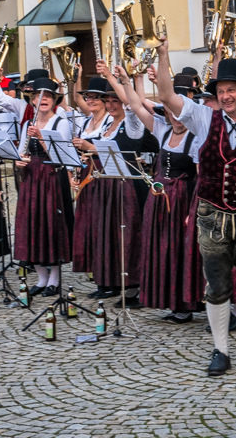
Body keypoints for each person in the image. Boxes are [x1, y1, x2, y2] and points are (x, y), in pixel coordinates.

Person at [156, 35, 236, 376]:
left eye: (231, 90)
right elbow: (166, 96)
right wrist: (163, 53)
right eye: (221, 91)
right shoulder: (203, 118)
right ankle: (220, 350)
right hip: (212, 216)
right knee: (216, 285)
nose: (225, 96)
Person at [123, 70, 204, 323]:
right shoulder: (163, 131)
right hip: (159, 200)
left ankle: (185, 304)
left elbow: (200, 176)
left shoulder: (196, 137)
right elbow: (137, 105)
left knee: (181, 250)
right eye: (171, 112)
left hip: (183, 200)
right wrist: (126, 80)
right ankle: (168, 299)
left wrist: (194, 210)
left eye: (179, 113)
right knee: (162, 248)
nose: (176, 118)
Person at [0, 70, 76, 296]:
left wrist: (41, 137)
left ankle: (54, 278)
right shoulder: (28, 121)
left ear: (54, 100)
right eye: (38, 96)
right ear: (33, 99)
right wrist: (19, 161)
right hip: (31, 177)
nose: (43, 99)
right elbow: (21, 152)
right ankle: (41, 277)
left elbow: (62, 156)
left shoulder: (60, 122)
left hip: (52, 177)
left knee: (51, 225)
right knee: (31, 225)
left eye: (48, 96)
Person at [71, 74, 148, 302]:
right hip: (107, 185)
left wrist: (116, 78)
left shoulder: (131, 124)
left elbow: (132, 107)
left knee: (128, 235)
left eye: (116, 101)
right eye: (109, 101)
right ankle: (110, 280)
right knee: (107, 234)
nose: (112, 106)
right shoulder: (107, 125)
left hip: (128, 186)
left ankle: (133, 285)